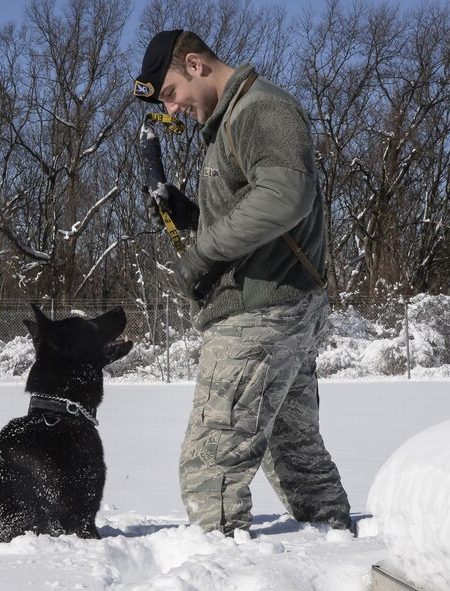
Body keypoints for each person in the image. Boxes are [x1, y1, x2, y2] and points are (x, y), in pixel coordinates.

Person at [134, 30, 352, 536]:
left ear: (196, 64)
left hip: (260, 311)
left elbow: (285, 196)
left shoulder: (259, 109)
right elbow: (255, 209)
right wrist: (191, 214)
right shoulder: (231, 120)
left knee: (211, 465)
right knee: (294, 451)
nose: (176, 107)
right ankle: (336, 546)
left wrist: (203, 252)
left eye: (171, 92)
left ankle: (223, 568)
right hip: (280, 303)